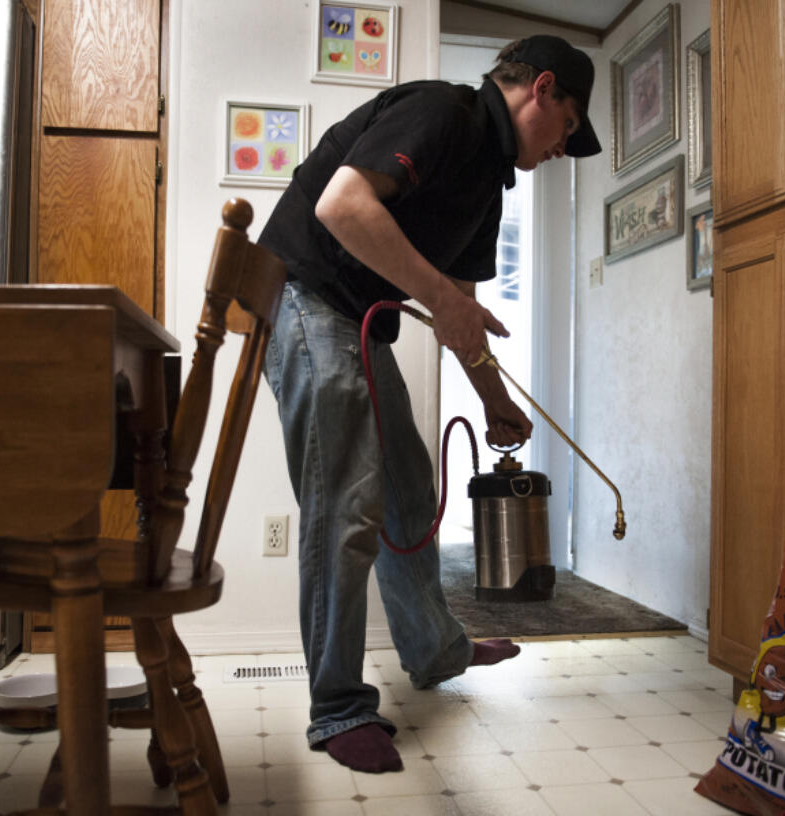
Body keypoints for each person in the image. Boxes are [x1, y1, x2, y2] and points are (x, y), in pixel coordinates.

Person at [259, 35, 603, 774]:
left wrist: (495, 401)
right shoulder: (443, 113)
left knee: (411, 497)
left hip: (359, 324)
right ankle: (338, 707)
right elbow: (342, 205)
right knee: (347, 508)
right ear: (542, 90)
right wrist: (441, 295)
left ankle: (435, 649)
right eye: (569, 127)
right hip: (308, 303)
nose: (560, 149)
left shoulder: (490, 186)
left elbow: (464, 310)